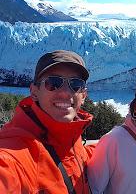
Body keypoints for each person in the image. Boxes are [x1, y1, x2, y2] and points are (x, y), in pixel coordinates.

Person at [0, 50, 95, 193]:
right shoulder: (13, 156)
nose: (66, 92)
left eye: (75, 84)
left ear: (83, 95)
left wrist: (118, 139)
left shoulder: (73, 135)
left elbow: (72, 154)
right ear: (34, 92)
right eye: (53, 83)